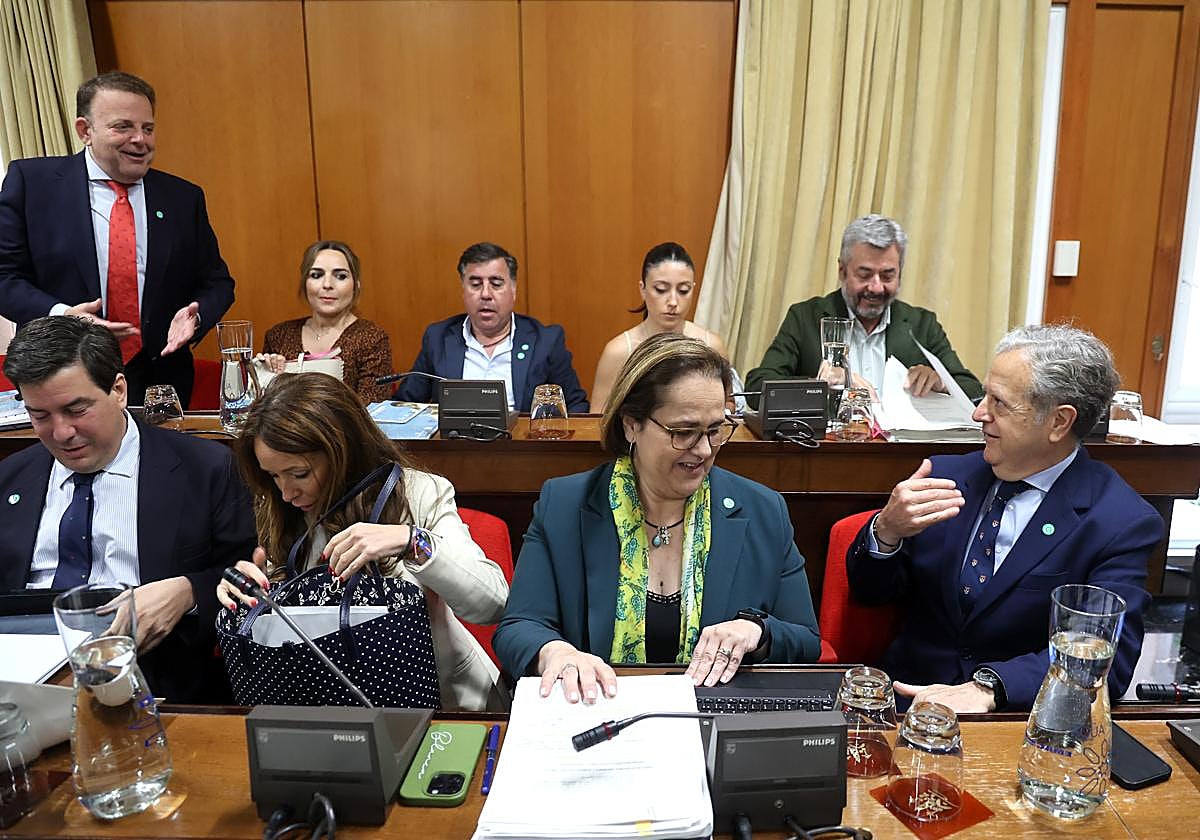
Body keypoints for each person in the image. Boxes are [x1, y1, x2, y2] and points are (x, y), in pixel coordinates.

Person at [846, 324, 1162, 713]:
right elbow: (871, 593)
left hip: (1016, 720)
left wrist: (990, 688)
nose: (979, 413)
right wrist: (886, 532)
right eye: (984, 396)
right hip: (904, 703)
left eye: (999, 403)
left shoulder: (1116, 522)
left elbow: (1104, 661)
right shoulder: (944, 477)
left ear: (1059, 422)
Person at [493, 333, 821, 704]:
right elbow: (518, 627)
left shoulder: (762, 510)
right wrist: (557, 652)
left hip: (715, 721)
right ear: (631, 424)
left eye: (715, 430)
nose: (703, 450)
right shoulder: (566, 504)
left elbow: (806, 641)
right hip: (599, 712)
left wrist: (757, 632)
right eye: (683, 432)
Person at [215, 372, 509, 711]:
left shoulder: (419, 493)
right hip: (327, 707)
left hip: (443, 703)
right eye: (273, 476)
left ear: (342, 452)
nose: (286, 492)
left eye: (299, 474)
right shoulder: (277, 505)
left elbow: (492, 603)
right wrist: (252, 589)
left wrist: (411, 540)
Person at [0, 316, 256, 702]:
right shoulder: (10, 478)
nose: (61, 432)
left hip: (156, 679)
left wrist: (189, 591)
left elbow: (246, 577)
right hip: (23, 685)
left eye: (76, 409)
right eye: (41, 416)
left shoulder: (203, 469)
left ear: (118, 390)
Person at [0, 71, 235, 408]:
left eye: (148, 128)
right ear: (85, 130)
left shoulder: (183, 198)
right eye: (123, 127)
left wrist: (195, 317)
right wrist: (63, 315)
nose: (140, 139)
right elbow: (4, 278)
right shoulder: (32, 184)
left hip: (159, 380)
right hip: (60, 375)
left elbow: (218, 283)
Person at [745, 214, 982, 403]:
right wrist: (819, 385)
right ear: (842, 271)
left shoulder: (922, 324)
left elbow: (973, 390)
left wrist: (940, 382)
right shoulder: (805, 318)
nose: (876, 287)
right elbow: (757, 389)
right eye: (865, 274)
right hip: (829, 452)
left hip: (903, 454)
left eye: (888, 275)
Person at [392, 242, 589, 413]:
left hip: (524, 451)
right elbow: (405, 405)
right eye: (476, 284)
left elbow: (576, 406)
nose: (486, 294)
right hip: (455, 450)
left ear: (513, 290)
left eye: (496, 284)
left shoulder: (545, 341)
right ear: (463, 290)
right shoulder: (438, 338)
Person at [591, 242, 732, 410]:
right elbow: (598, 422)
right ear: (642, 289)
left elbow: (728, 405)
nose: (673, 302)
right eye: (661, 289)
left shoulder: (711, 345)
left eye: (683, 290)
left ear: (694, 289)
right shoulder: (619, 351)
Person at [258, 240, 393, 403]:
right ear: (305, 284)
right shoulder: (279, 335)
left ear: (356, 285)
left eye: (341, 276)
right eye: (316, 275)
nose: (327, 284)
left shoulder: (371, 338)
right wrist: (265, 377)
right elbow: (263, 410)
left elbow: (372, 410)